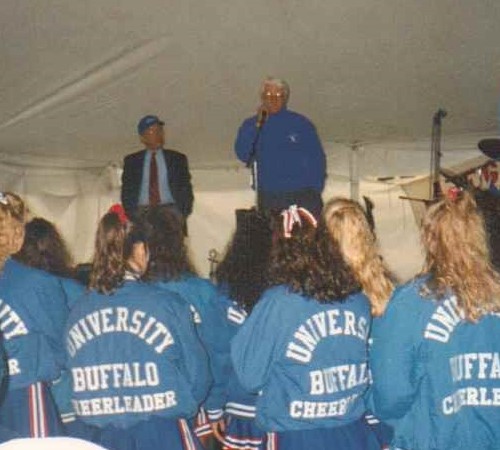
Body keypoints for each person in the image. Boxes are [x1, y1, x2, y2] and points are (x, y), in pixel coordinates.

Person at [231, 203, 391, 450]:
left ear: (276, 251)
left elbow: (249, 377)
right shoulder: (358, 300)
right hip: (353, 432)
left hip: (295, 434)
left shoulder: (277, 302)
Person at [64, 207, 210, 450]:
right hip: (162, 433)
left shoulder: (77, 310)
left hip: (98, 436)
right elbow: (199, 377)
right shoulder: (168, 304)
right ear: (141, 249)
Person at [369, 189, 500, 450]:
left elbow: (389, 396)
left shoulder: (409, 304)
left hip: (431, 439)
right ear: (478, 236)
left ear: (429, 239)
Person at [139, 205, 227, 444]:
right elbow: (217, 352)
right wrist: (216, 406)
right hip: (196, 404)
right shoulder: (201, 291)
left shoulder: (134, 293)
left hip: (145, 405)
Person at [0, 192, 68, 438]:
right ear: (17, 235)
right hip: (25, 396)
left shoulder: (35, 282)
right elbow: (61, 348)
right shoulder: (38, 283)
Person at [212, 207, 273, 450]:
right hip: (272, 403)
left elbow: (219, 353)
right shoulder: (279, 294)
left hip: (238, 403)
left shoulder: (225, 294)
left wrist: (215, 407)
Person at [234, 78, 326, 218]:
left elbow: (317, 158)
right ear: (262, 98)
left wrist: (315, 189)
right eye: (269, 96)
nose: (273, 100)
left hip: (303, 195)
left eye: (278, 96)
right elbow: (243, 154)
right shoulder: (251, 124)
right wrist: (256, 126)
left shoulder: (301, 123)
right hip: (270, 196)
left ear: (285, 98)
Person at [121, 115, 194, 228]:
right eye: (151, 131)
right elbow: (127, 191)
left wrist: (182, 213)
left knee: (170, 244)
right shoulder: (132, 161)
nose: (157, 134)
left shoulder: (177, 159)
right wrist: (133, 215)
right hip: (142, 212)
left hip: (171, 212)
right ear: (142, 138)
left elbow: (185, 188)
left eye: (159, 130)